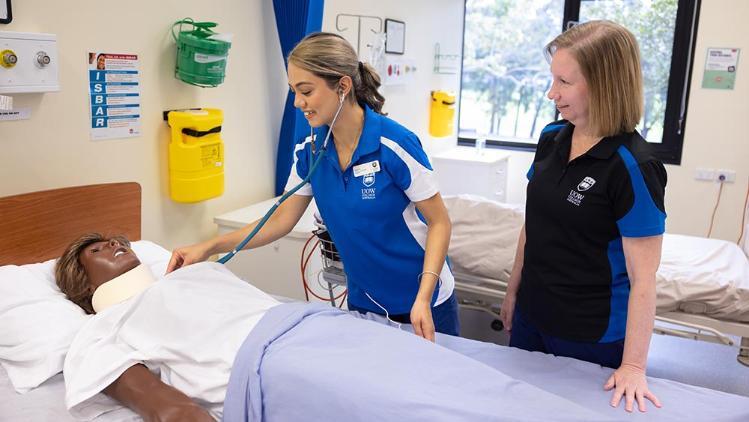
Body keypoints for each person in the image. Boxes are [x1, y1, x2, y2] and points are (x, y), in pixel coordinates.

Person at [55, 233, 611, 422]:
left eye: (116, 238)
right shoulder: (103, 329)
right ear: (84, 284)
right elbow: (166, 408)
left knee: (450, 376)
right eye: (95, 249)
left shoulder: (192, 276)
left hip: (315, 324)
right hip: (277, 361)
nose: (114, 242)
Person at [167, 32, 458, 340]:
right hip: (365, 301)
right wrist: (209, 246)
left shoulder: (394, 144)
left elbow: (440, 222)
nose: (298, 102)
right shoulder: (310, 152)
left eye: (306, 90)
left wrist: (424, 297)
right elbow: (280, 221)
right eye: (294, 91)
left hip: (424, 300)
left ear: (343, 86)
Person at [499, 20, 667, 413]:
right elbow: (534, 222)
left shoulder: (633, 165)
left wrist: (633, 365)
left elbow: (645, 279)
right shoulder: (551, 138)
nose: (551, 92)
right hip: (531, 315)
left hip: (590, 333)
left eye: (564, 82)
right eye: (551, 78)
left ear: (604, 84)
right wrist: (512, 291)